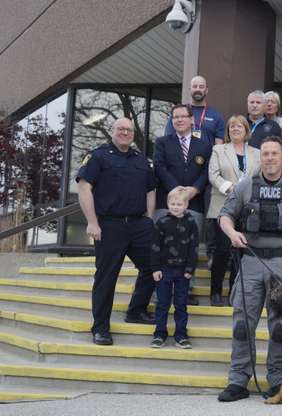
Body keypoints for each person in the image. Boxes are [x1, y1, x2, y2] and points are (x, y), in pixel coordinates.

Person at [217, 136, 282, 402]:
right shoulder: (244, 187)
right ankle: (238, 381)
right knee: (242, 324)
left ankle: (278, 381)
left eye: (275, 153)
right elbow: (225, 216)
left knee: (280, 327)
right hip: (250, 259)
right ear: (259, 157)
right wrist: (231, 233)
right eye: (266, 154)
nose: (270, 158)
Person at [76, 117, 157, 346]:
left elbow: (151, 190)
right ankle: (100, 328)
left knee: (153, 266)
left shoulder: (141, 159)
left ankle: (136, 310)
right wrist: (92, 221)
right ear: (112, 131)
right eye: (121, 129)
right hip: (108, 226)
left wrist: (149, 219)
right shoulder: (98, 156)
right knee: (106, 277)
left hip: (138, 224)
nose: (125, 132)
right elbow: (84, 187)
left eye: (129, 130)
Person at [154, 104, 212, 305]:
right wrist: (177, 191)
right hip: (166, 203)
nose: (178, 120)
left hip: (193, 204)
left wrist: (193, 190)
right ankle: (159, 291)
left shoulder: (204, 146)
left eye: (182, 117)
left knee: (190, 247)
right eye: (175, 117)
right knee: (163, 246)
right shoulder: (162, 142)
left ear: (191, 120)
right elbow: (160, 168)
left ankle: (186, 290)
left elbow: (206, 172)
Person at [207, 115, 261, 306]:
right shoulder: (218, 150)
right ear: (228, 131)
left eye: (240, 126)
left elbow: (259, 178)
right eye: (232, 127)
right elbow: (213, 175)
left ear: (247, 130)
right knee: (222, 251)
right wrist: (231, 188)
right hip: (223, 205)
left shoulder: (257, 152)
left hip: (247, 210)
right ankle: (215, 291)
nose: (235, 129)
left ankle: (234, 292)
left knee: (240, 252)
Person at [150, 187, 199, 348]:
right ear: (167, 204)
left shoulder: (191, 222)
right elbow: (155, 246)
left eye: (179, 204)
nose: (175, 206)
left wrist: (190, 269)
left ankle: (181, 335)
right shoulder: (162, 222)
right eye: (172, 204)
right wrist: (155, 268)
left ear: (186, 205)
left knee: (181, 304)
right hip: (164, 270)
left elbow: (194, 247)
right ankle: (159, 333)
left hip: (182, 271)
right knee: (162, 303)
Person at [164, 75, 225, 146]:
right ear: (190, 89)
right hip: (181, 156)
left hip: (207, 157)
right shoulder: (178, 113)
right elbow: (168, 140)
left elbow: (219, 147)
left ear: (206, 90)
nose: (197, 89)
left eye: (201, 87)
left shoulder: (216, 116)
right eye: (194, 86)